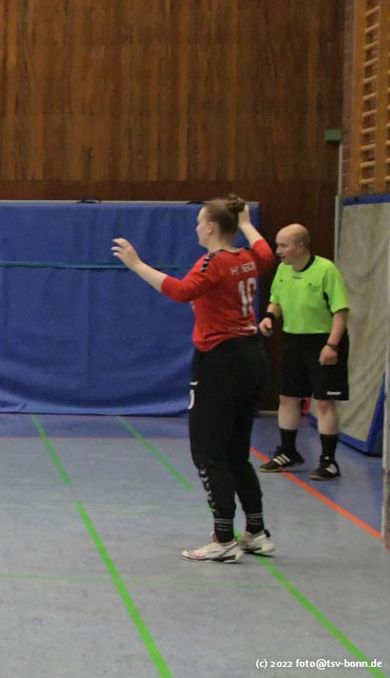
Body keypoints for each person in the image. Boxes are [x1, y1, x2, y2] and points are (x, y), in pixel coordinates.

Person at [112, 195, 276, 562]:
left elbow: (181, 291)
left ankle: (224, 538)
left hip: (221, 361)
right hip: (251, 357)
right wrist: (247, 224)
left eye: (200, 221)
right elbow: (266, 253)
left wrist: (137, 264)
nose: (197, 228)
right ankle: (256, 531)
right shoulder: (245, 258)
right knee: (236, 453)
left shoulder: (213, 263)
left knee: (208, 452)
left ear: (212, 227)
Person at [257, 224, 351, 481]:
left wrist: (332, 346)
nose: (278, 251)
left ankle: (329, 461)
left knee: (323, 402)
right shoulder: (283, 270)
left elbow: (341, 312)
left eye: (283, 246)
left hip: (324, 340)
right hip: (294, 340)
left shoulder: (326, 270)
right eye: (277, 245)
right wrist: (269, 317)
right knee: (288, 398)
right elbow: (276, 299)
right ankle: (288, 452)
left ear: (301, 246)